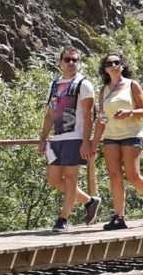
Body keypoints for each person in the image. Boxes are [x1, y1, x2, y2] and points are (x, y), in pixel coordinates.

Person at [91, 52, 143, 230]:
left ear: (122, 65)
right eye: (110, 63)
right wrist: (93, 143)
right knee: (114, 176)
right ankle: (119, 217)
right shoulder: (103, 90)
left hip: (132, 132)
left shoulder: (132, 85)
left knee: (132, 175)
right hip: (111, 135)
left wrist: (129, 113)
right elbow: (101, 118)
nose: (114, 65)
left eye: (117, 62)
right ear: (105, 68)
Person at [38, 47, 100, 232]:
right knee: (53, 179)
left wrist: (85, 141)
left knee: (71, 178)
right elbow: (50, 113)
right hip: (57, 138)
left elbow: (89, 115)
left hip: (75, 137)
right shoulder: (55, 84)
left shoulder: (84, 84)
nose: (71, 63)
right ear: (60, 63)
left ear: (79, 63)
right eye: (67, 60)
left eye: (75, 60)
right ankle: (89, 201)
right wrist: (42, 139)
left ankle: (63, 219)